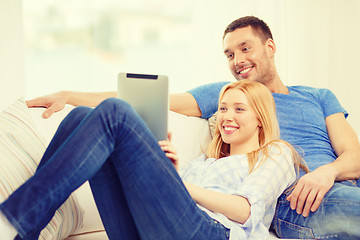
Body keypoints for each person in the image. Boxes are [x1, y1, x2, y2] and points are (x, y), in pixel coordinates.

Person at [26, 16, 360, 239]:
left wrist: (326, 172)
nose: (237, 60)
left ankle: (18, 219)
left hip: (326, 183)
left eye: (246, 48)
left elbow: (354, 156)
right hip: (294, 200)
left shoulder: (316, 99)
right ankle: (22, 224)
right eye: (229, 54)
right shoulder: (222, 96)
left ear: (270, 48)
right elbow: (146, 98)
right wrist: (70, 95)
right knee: (83, 117)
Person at [1, 80, 306, 240]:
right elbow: (173, 202)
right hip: (155, 232)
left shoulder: (276, 152)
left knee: (116, 112)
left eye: (239, 109)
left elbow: (244, 211)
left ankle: (10, 220)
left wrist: (180, 186)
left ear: (260, 120)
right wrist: (170, 174)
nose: (227, 116)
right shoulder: (205, 161)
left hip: (212, 234)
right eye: (223, 109)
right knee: (81, 116)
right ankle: (23, 233)